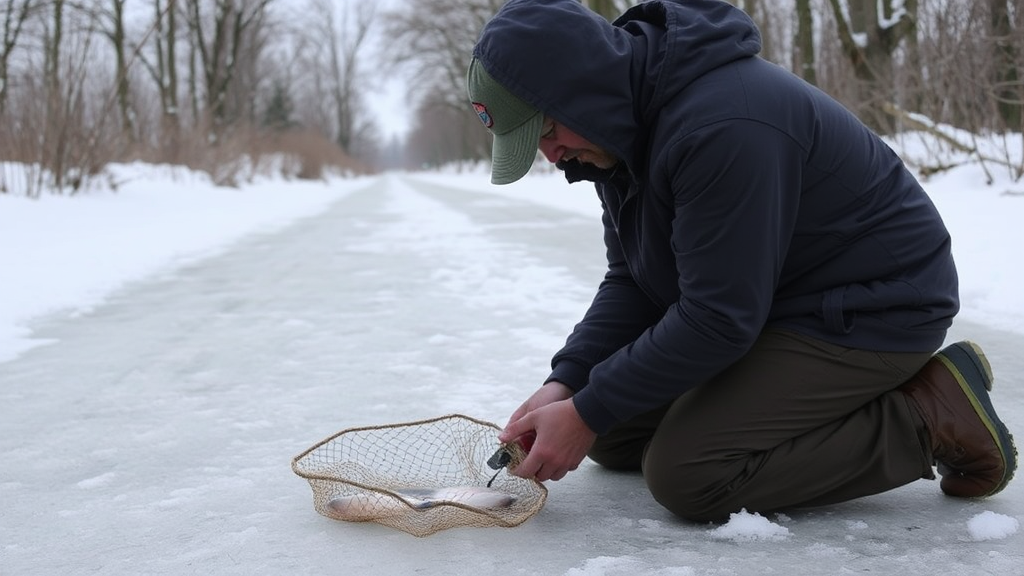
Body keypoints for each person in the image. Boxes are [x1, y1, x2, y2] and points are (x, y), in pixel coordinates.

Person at [465, 0, 1017, 522]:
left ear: (580, 90)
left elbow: (720, 317)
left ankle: (932, 417)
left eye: (545, 129)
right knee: (614, 431)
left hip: (872, 309)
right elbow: (632, 277)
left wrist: (587, 411)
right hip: (776, 301)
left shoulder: (724, 126)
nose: (551, 154)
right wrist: (568, 384)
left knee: (690, 474)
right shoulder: (618, 135)